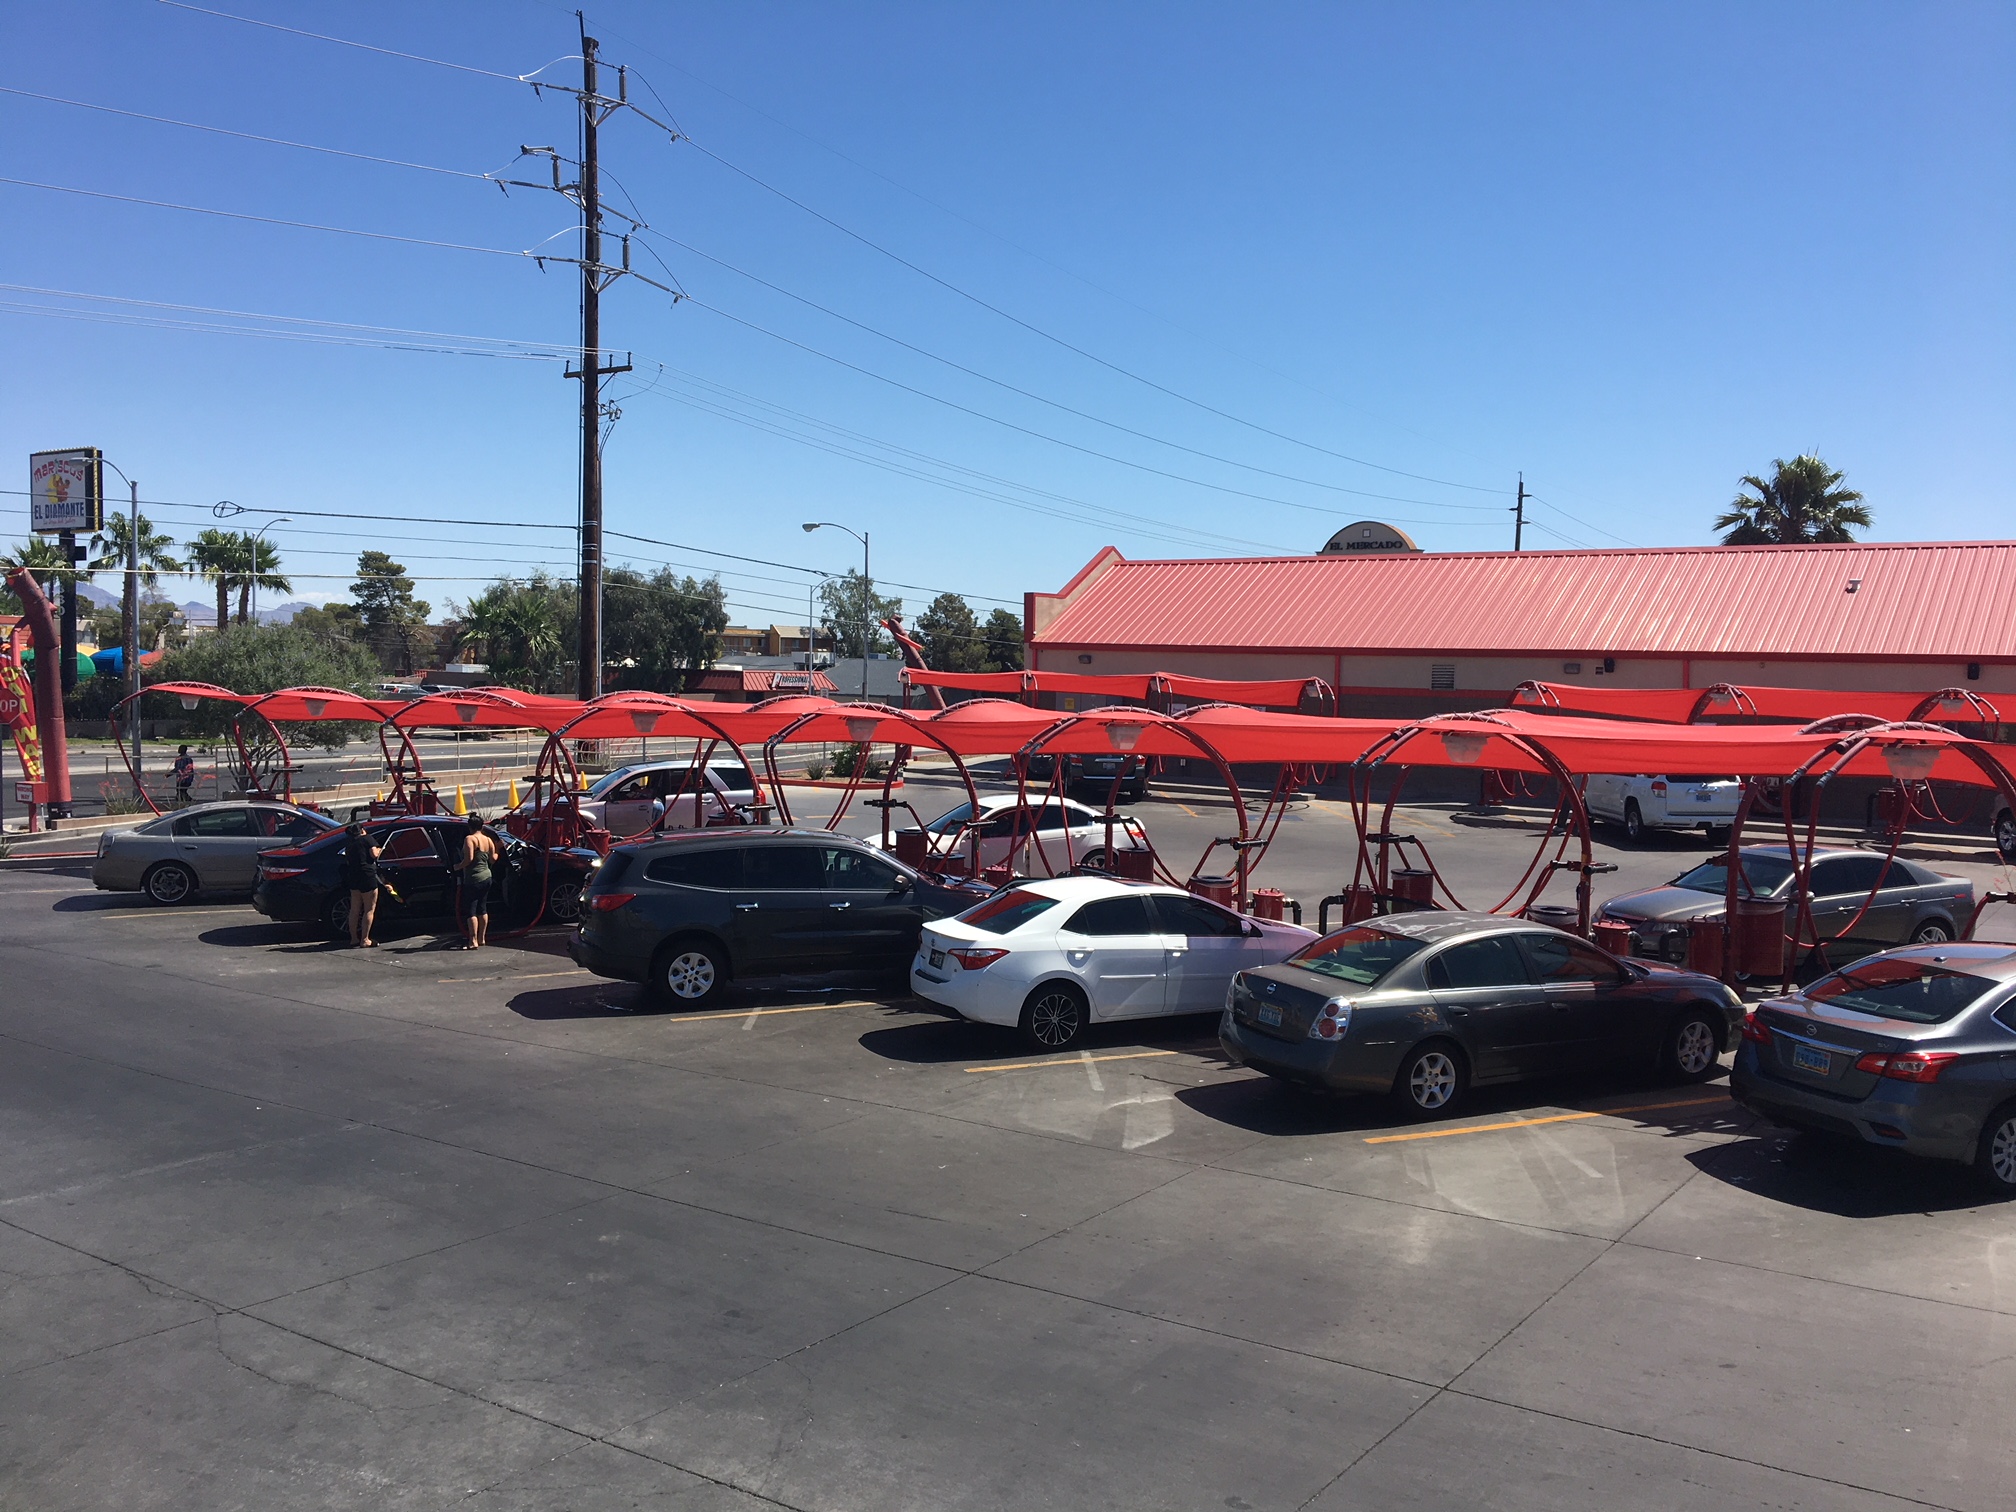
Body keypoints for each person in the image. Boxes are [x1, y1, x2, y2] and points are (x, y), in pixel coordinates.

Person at [454, 814, 501, 951]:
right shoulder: (488, 840)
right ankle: (482, 938)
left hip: (473, 878)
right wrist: (498, 849)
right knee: (482, 907)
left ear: (470, 827)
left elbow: (469, 859)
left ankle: (472, 940)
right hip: (487, 877)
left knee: (471, 910)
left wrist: (458, 866)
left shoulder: (470, 839)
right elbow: (493, 859)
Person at [342, 821, 383, 948]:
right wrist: (380, 849)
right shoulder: (367, 839)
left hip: (353, 876)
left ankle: (354, 938)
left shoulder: (349, 843)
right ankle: (365, 939)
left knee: (354, 909)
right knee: (369, 909)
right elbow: (374, 854)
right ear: (363, 830)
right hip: (367, 875)